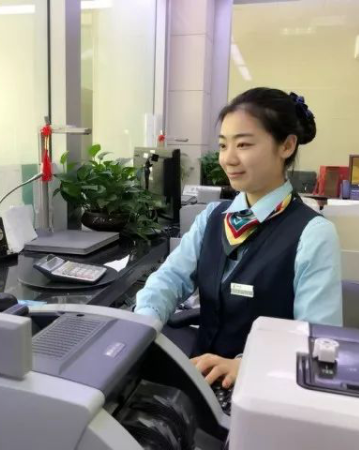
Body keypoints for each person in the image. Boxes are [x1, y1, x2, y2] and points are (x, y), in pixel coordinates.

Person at [135, 87, 342, 389]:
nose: (228, 159)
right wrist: (143, 324)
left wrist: (247, 364)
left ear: (286, 146)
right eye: (223, 145)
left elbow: (318, 340)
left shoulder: (313, 233)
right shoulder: (213, 217)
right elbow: (169, 278)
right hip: (202, 381)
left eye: (243, 144)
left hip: (268, 387)